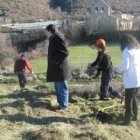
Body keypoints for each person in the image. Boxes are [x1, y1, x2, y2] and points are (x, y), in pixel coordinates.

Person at [45, 24, 71, 113]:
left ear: (49, 31)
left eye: (46, 32)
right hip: (57, 68)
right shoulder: (54, 38)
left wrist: (55, 61)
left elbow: (65, 52)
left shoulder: (58, 38)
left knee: (62, 87)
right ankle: (61, 105)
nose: (46, 34)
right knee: (58, 88)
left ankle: (64, 106)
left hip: (61, 68)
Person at [115, 34, 140, 125]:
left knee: (128, 101)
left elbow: (126, 66)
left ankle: (126, 121)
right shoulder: (137, 49)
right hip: (137, 79)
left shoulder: (126, 51)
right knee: (134, 98)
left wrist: (117, 69)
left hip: (130, 80)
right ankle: (135, 116)